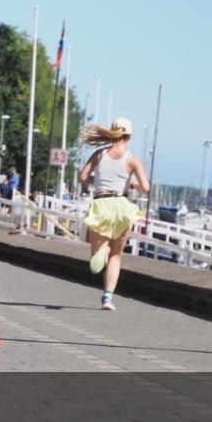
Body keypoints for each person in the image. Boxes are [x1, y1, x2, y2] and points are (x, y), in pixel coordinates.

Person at [78, 118, 150, 311]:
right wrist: (131, 184)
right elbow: (145, 187)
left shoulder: (99, 155)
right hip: (122, 206)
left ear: (111, 133)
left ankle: (101, 253)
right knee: (116, 255)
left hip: (102, 204)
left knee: (98, 255)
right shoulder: (132, 160)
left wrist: (97, 181)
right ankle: (108, 297)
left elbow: (82, 177)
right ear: (129, 137)